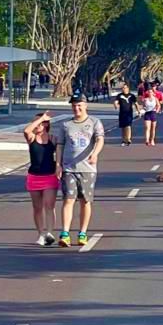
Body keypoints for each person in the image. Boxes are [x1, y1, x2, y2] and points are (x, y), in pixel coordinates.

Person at [52, 92, 104, 247]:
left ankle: (82, 233)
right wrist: (58, 164)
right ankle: (65, 233)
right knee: (68, 199)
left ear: (85, 105)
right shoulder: (66, 125)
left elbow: (100, 139)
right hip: (69, 167)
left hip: (87, 168)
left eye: (79, 105)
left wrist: (95, 154)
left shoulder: (95, 122)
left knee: (85, 201)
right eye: (74, 106)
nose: (77, 108)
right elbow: (60, 144)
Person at [23, 111, 60, 246]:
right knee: (37, 207)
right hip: (34, 176)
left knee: (49, 206)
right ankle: (41, 233)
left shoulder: (52, 139)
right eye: (35, 122)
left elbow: (60, 153)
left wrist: (58, 166)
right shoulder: (32, 138)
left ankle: (49, 233)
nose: (36, 125)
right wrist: (40, 119)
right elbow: (26, 130)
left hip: (49, 176)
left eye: (39, 123)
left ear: (45, 125)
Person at [140, 81, 159, 146]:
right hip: (147, 113)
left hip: (153, 113)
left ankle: (152, 140)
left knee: (153, 128)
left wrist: (157, 110)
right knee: (147, 127)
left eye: (151, 92)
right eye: (149, 92)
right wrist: (142, 109)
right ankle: (147, 140)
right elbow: (143, 106)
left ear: (153, 93)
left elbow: (158, 105)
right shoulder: (145, 99)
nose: (150, 93)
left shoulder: (155, 99)